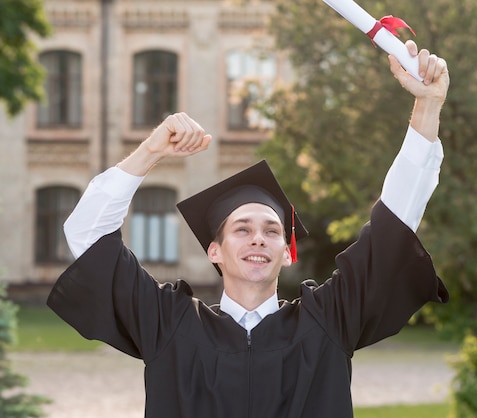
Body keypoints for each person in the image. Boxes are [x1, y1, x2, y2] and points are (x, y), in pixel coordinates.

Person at [47, 40, 450, 418]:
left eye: (273, 231)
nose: (259, 237)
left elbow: (393, 227)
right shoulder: (169, 325)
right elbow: (88, 235)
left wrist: (427, 107)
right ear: (214, 251)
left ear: (287, 252)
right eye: (241, 228)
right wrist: (151, 151)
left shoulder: (328, 320)